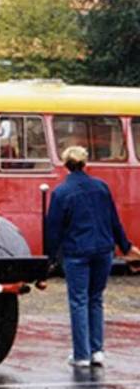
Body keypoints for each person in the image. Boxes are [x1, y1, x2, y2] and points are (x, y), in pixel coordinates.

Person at [46, 146, 140, 367]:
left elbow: (54, 229)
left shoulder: (61, 193)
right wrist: (126, 247)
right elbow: (114, 221)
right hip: (103, 251)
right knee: (96, 299)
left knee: (78, 301)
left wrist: (48, 259)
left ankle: (81, 355)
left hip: (77, 252)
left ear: (64, 165)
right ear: (85, 163)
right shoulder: (101, 187)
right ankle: (97, 350)